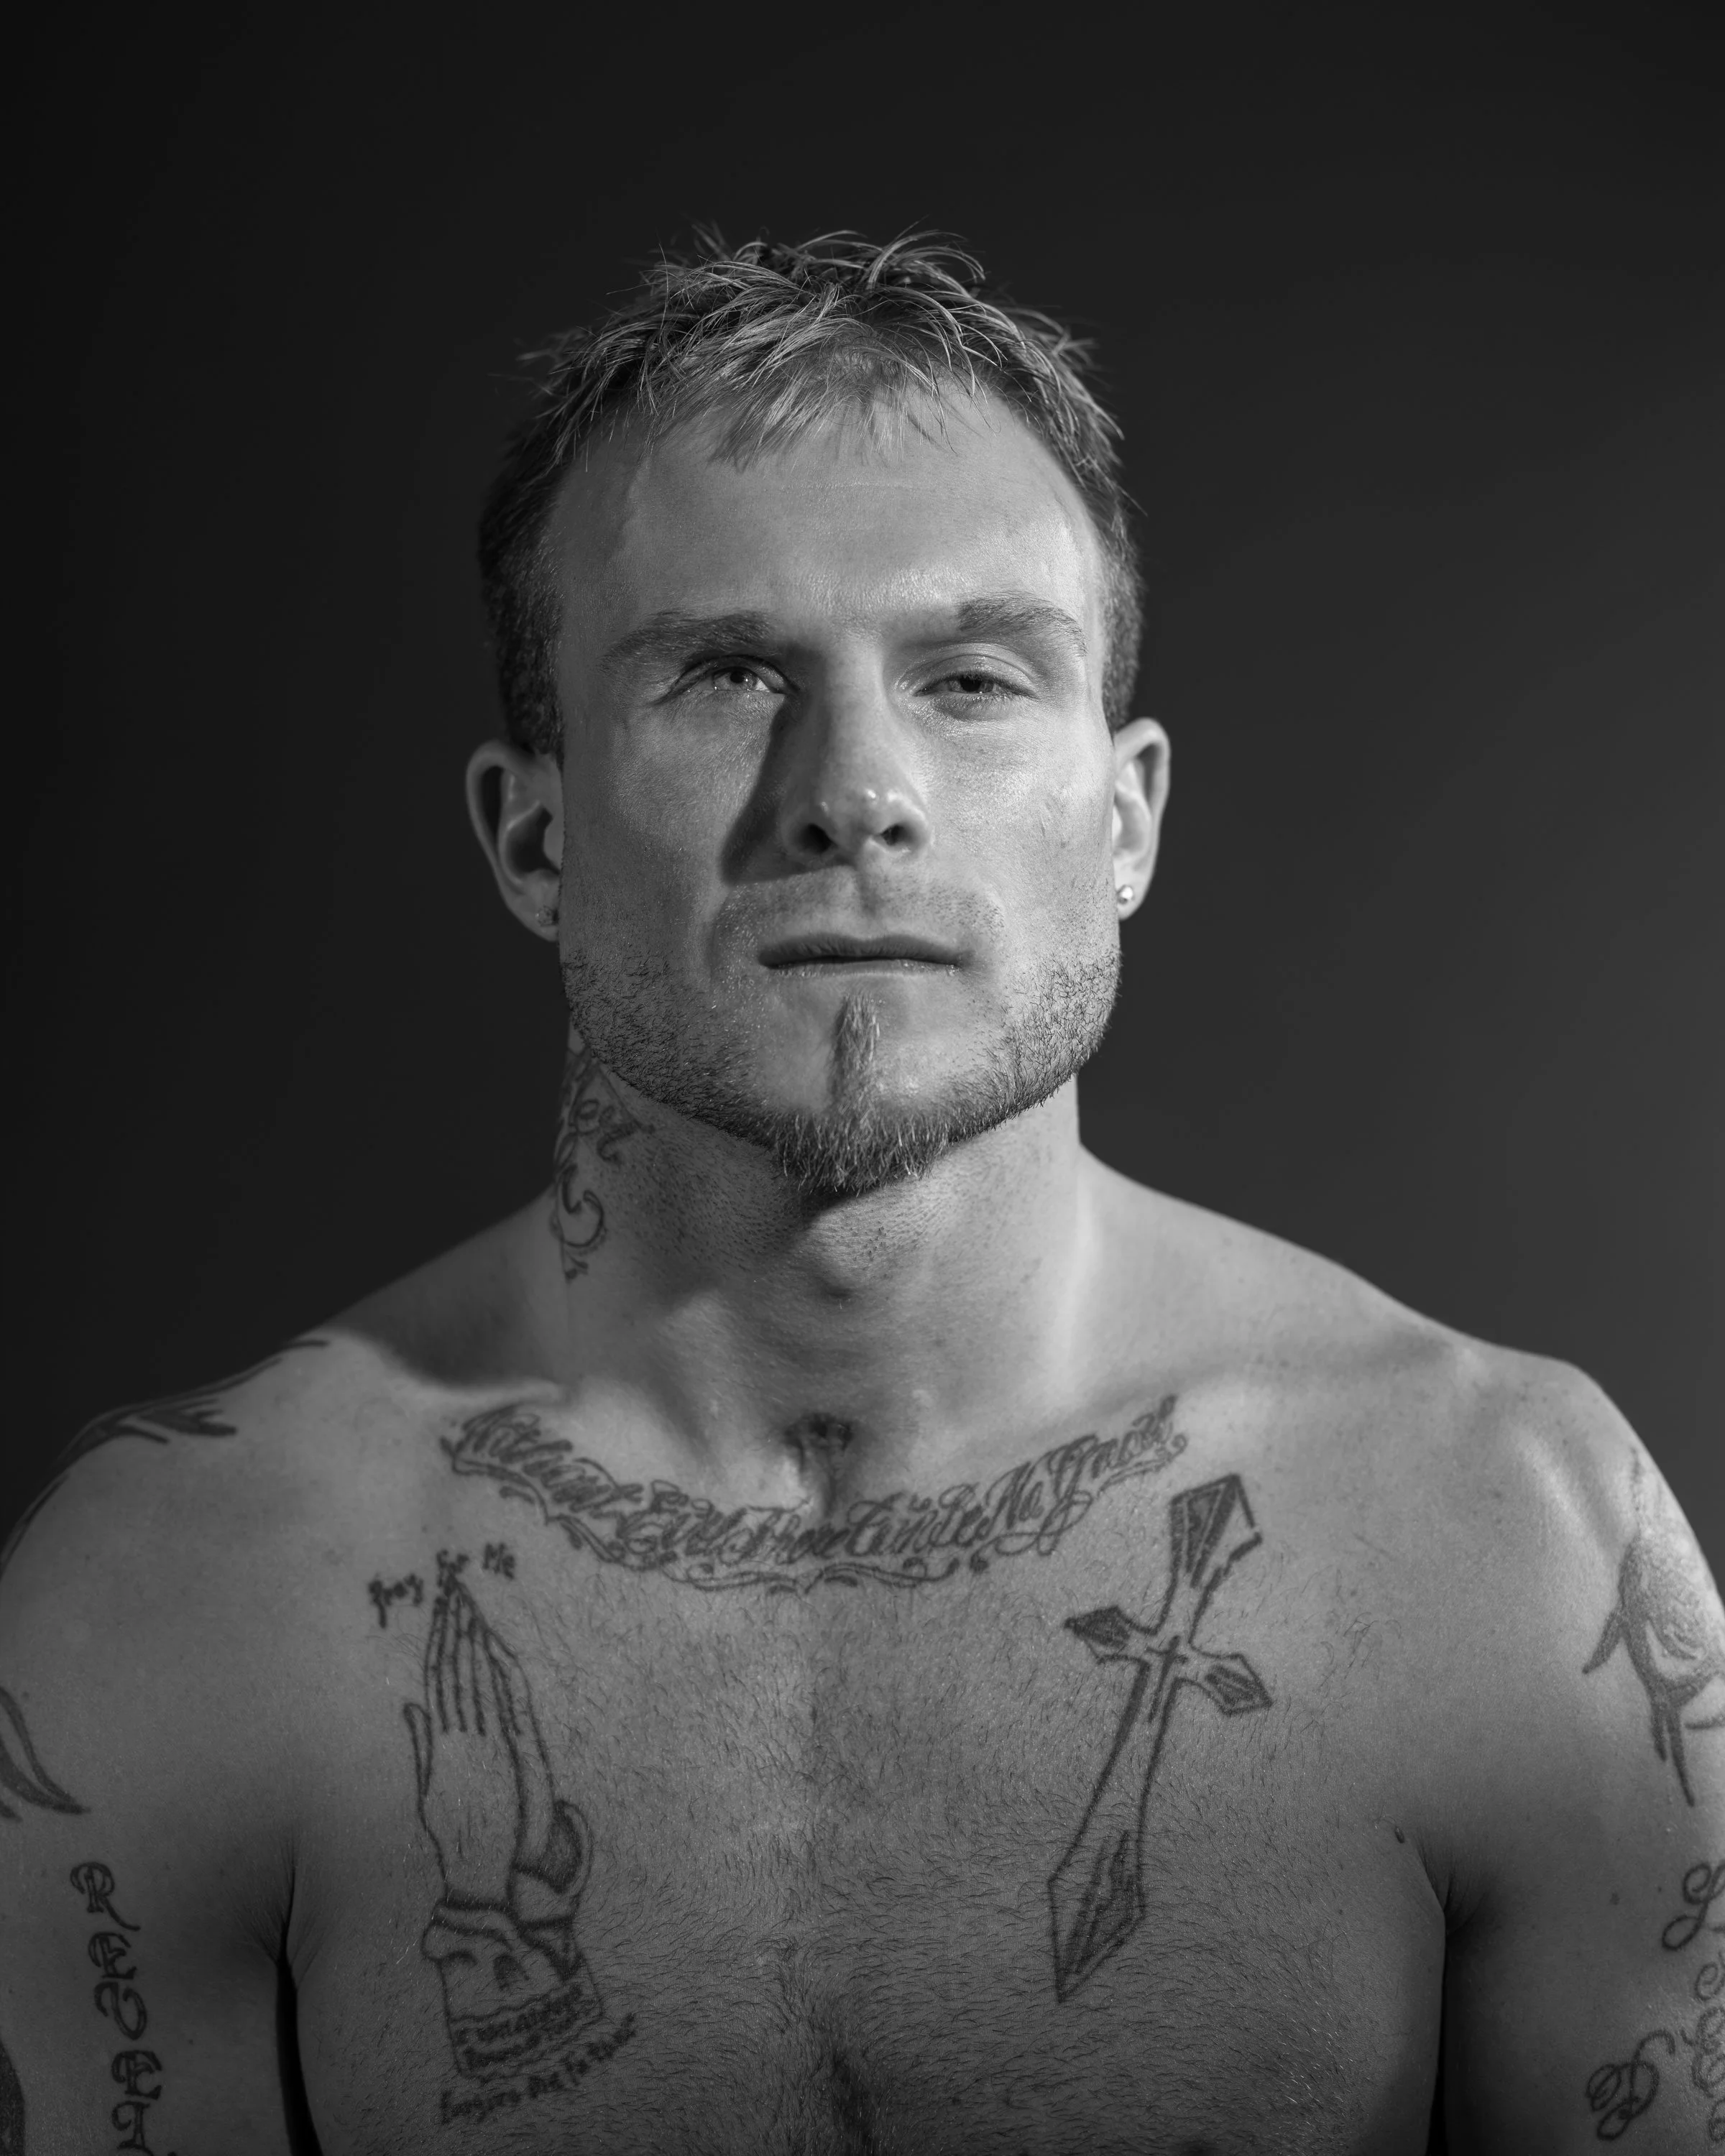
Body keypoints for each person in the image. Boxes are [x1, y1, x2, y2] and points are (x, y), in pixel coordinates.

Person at [0, 231, 1719, 2156]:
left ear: (1127, 817)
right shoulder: (172, 1599)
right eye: (730, 676)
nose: (858, 791)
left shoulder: (1506, 1552)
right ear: (533, 834)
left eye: (974, 676)